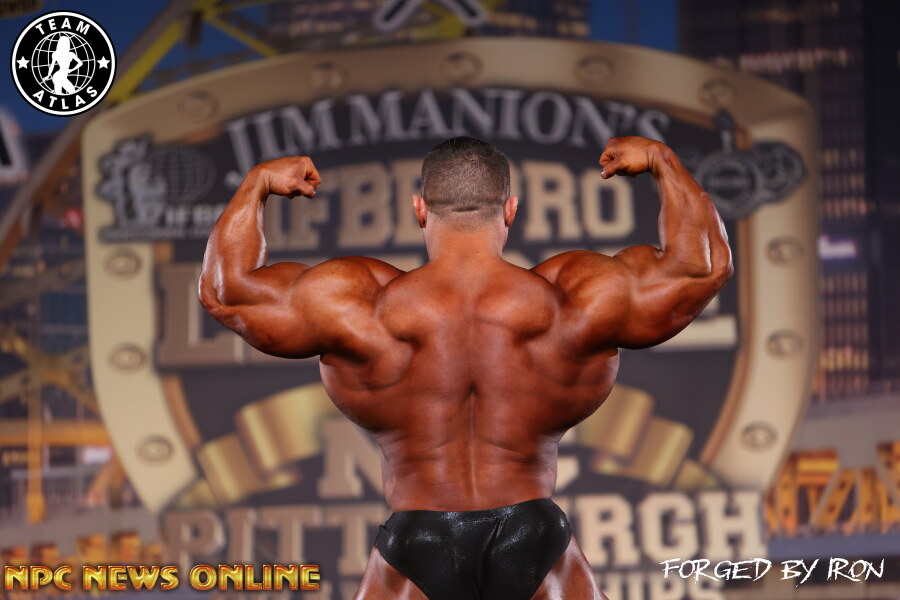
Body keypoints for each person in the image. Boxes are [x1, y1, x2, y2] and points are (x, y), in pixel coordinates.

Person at [199, 135, 733, 600]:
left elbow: (227, 292)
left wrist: (257, 183)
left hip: (416, 538)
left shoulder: (360, 306)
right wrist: (662, 161)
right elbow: (701, 268)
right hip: (534, 532)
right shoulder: (572, 301)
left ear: (420, 209)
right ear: (510, 210)